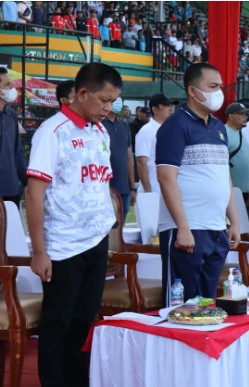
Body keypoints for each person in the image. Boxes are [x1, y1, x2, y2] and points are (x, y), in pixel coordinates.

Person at [26, 62, 121, 387]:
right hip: (63, 244)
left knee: (84, 318)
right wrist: (39, 252)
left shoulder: (100, 131)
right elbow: (34, 194)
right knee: (58, 321)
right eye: (104, 100)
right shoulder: (52, 132)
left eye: (113, 102)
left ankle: (77, 379)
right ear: (82, 93)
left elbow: (98, 185)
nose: (108, 109)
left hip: (95, 240)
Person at [156, 63, 241, 305]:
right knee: (182, 304)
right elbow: (166, 178)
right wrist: (182, 227)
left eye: (221, 87)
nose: (219, 93)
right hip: (187, 227)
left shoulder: (218, 127)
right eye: (212, 86)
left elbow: (224, 176)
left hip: (216, 227)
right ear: (193, 91)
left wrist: (233, 221)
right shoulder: (174, 126)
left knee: (207, 302)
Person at [102, 97, 136, 218]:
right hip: (105, 188)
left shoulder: (124, 125)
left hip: (124, 188)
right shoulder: (98, 125)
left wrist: (132, 187)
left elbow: (129, 157)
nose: (118, 102)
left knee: (120, 228)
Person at [135, 93, 177, 194]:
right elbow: (141, 162)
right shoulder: (147, 131)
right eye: (167, 106)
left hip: (169, 190)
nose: (171, 109)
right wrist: (148, 190)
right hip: (153, 190)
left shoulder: (171, 130)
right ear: (155, 109)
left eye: (172, 106)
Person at [0, 67, 27, 207]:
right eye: (7, 84)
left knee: (10, 228)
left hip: (11, 190)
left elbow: (18, 152)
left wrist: (27, 182)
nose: (12, 87)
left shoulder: (10, 114)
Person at [224, 102, 249, 217]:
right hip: (233, 191)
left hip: (244, 189)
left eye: (246, 114)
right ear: (231, 116)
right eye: (241, 114)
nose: (245, 117)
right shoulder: (224, 132)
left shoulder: (240, 133)